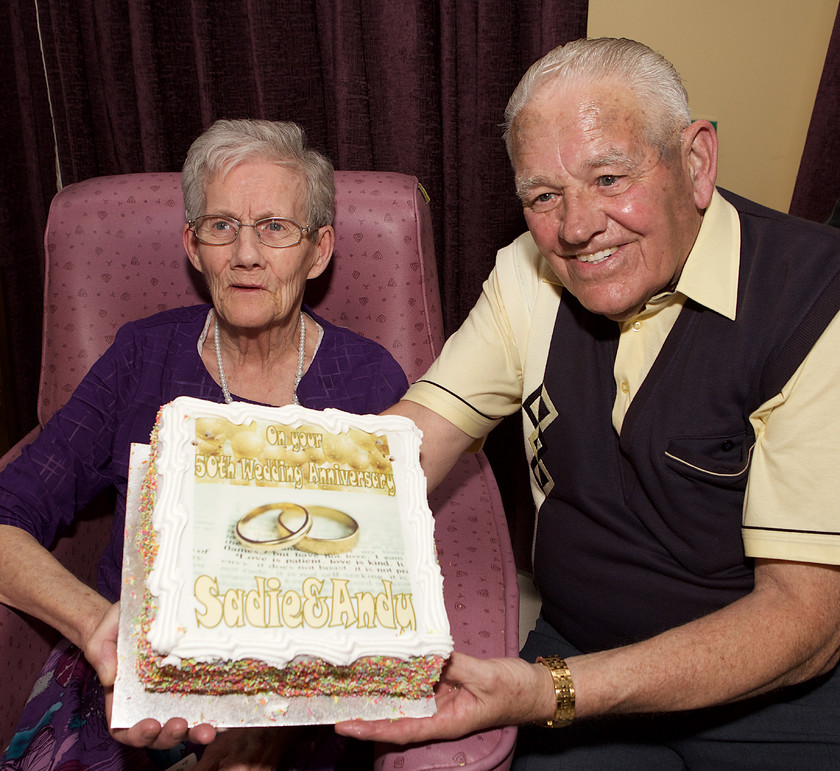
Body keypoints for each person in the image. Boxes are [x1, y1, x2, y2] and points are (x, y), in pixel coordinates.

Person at [335, 37, 840, 767]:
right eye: (544, 196)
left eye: (609, 177)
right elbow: (402, 449)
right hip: (583, 638)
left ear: (696, 162)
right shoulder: (527, 276)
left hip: (776, 691)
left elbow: (804, 620)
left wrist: (551, 693)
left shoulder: (816, 305)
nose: (575, 227)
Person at [0, 119, 408, 770]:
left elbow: (389, 589)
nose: (246, 253)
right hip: (126, 676)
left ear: (319, 249)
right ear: (193, 246)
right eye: (221, 226)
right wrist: (102, 631)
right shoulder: (141, 356)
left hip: (301, 697)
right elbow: (6, 513)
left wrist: (260, 721)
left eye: (274, 227)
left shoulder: (367, 378)